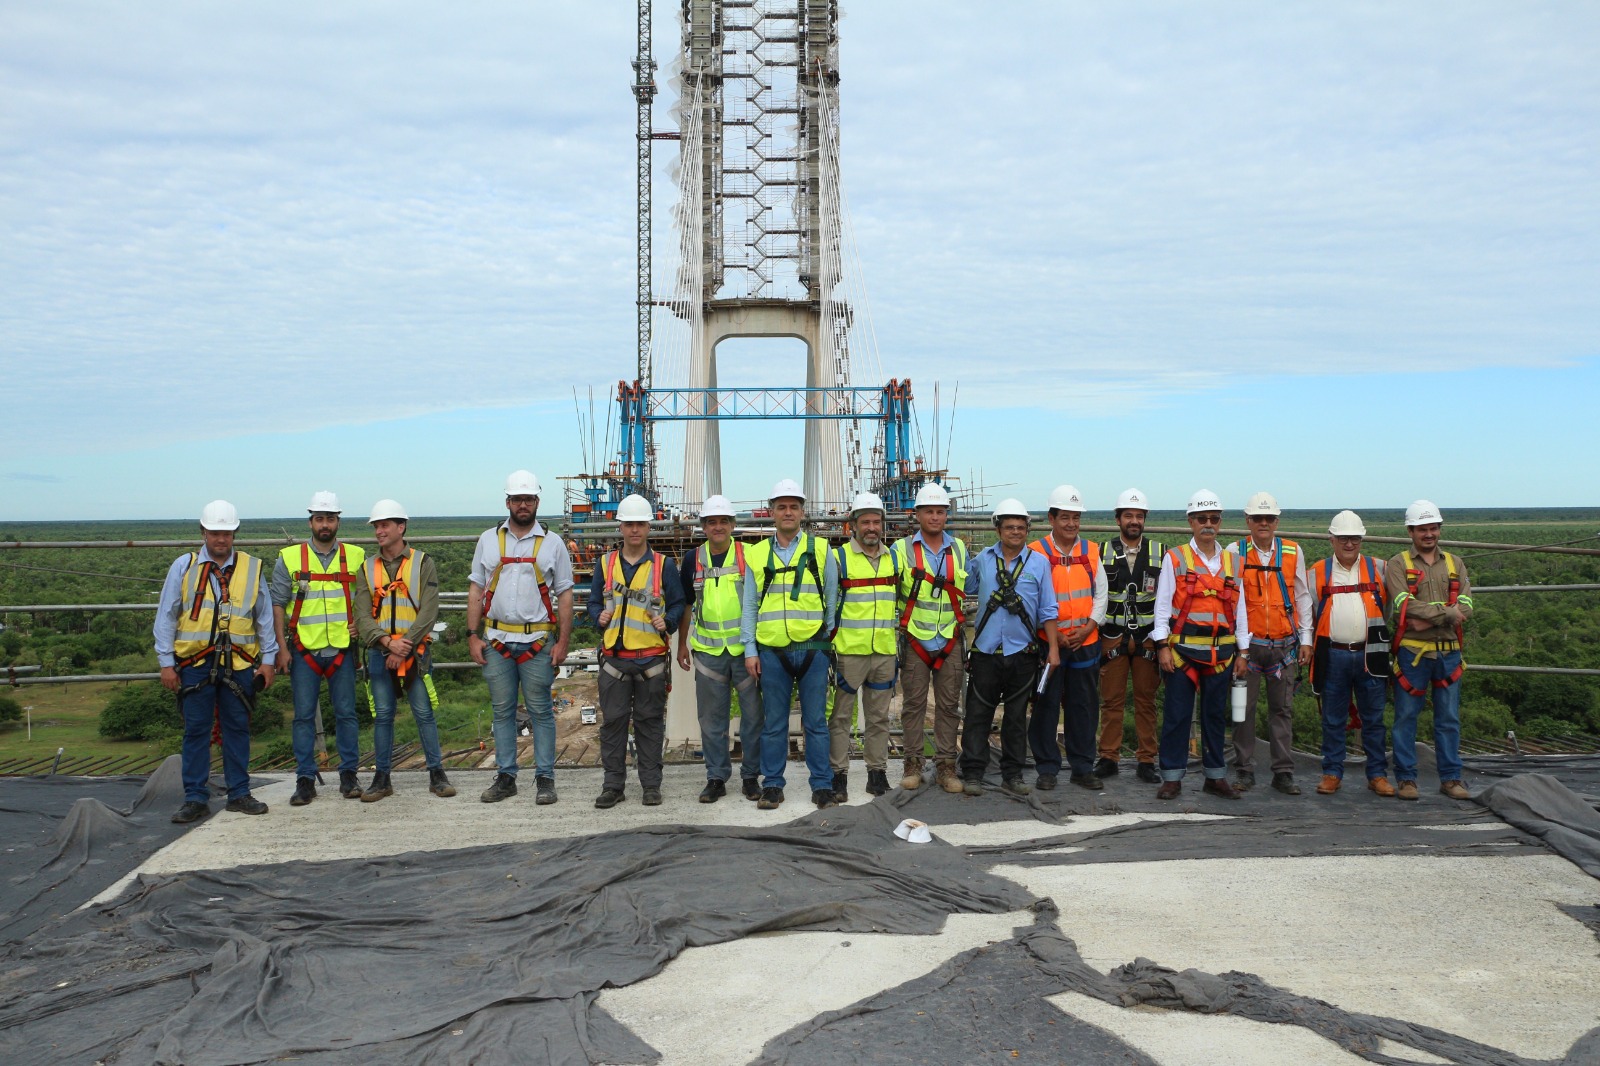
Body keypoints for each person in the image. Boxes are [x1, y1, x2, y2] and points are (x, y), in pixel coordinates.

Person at [155, 500, 278, 824]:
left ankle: (239, 792)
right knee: (196, 730)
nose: (220, 539)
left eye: (226, 533)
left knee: (237, 728)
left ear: (234, 533)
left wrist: (268, 661)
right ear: (203, 532)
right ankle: (195, 797)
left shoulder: (251, 568)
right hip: (194, 663)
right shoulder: (184, 567)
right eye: (214, 533)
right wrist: (166, 663)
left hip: (239, 663)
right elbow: (167, 616)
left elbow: (263, 618)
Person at [468, 471, 575, 806]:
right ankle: (506, 776)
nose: (523, 504)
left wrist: (563, 642)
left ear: (537, 502)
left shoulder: (553, 544)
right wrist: (473, 635)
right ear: (508, 502)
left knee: (541, 710)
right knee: (502, 711)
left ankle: (545, 777)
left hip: (538, 642)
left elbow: (566, 595)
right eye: (517, 499)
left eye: (528, 499)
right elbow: (476, 590)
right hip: (496, 639)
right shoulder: (488, 540)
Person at [1151, 490, 1251, 800]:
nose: (1208, 524)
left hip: (1221, 654)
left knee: (1214, 717)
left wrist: (1243, 651)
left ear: (1220, 522)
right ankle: (1171, 777)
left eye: (1214, 519)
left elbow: (1241, 609)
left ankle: (1215, 777)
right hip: (1182, 654)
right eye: (1202, 519)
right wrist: (1162, 646)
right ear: (1191, 522)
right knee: (1177, 716)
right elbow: (1163, 606)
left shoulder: (1234, 562)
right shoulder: (1177, 558)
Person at [353, 499, 453, 802]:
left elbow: (429, 611)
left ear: (401, 527)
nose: (379, 531)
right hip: (381, 652)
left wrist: (404, 646)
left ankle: (437, 775)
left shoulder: (423, 563)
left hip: (415, 653)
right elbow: (362, 615)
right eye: (376, 526)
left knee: (424, 713)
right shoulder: (367, 568)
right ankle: (382, 779)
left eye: (384, 525)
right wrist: (387, 643)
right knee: (383, 715)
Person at [742, 478, 832, 810]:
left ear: (802, 512)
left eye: (794, 506)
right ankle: (773, 785)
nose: (788, 512)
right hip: (772, 651)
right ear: (772, 512)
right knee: (774, 723)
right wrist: (750, 648)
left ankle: (822, 785)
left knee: (816, 722)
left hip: (813, 649)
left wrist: (826, 639)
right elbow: (750, 605)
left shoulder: (821, 550)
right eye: (782, 506)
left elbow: (831, 600)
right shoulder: (757, 554)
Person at [588, 494, 684, 808]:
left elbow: (680, 603)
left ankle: (651, 786)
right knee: (612, 723)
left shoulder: (663, 566)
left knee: (650, 723)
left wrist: (667, 621)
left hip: (650, 660)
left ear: (648, 527)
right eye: (629, 524)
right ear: (621, 527)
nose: (634, 530)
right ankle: (613, 786)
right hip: (614, 660)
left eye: (640, 524)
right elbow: (592, 602)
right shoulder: (606, 563)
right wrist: (596, 616)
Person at [271, 491, 365, 805]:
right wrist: (281, 647)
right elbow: (277, 604)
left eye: (331, 518)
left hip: (342, 648)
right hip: (303, 650)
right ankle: (305, 780)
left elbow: (368, 599)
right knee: (303, 717)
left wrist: (360, 626)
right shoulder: (290, 557)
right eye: (320, 519)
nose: (325, 524)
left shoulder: (356, 556)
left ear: (338, 521)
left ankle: (349, 775)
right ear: (311, 521)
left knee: (347, 715)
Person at [961, 499, 1058, 796]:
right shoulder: (982, 560)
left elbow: (1048, 609)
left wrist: (1053, 649)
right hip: (987, 651)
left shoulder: (1039, 563)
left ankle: (1013, 774)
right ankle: (973, 773)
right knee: (978, 714)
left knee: (1016, 718)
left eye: (1020, 527)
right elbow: (965, 587)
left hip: (1023, 651)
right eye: (1009, 527)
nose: (1015, 532)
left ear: (1027, 528)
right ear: (998, 529)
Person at [1225, 492, 1314, 795]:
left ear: (1277, 521)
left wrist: (1306, 639)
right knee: (1242, 711)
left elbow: (1302, 595)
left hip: (1282, 647)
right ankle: (1243, 769)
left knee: (1282, 711)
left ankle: (1283, 772)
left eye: (1269, 519)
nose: (1264, 523)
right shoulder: (1234, 551)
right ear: (1247, 520)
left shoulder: (1292, 552)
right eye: (1257, 518)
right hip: (1246, 649)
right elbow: (1229, 599)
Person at [1386, 500, 1474, 802]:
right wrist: (1448, 613)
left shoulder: (1454, 563)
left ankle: (1451, 779)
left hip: (1448, 654)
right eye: (1422, 528)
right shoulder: (1399, 564)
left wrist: (1428, 618)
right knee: (1406, 717)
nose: (1429, 533)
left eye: (1433, 527)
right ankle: (1407, 779)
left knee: (1448, 719)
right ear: (1411, 531)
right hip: (1413, 654)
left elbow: (1467, 607)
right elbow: (1403, 606)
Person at [676, 494, 761, 803]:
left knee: (753, 718)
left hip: (744, 652)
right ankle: (716, 777)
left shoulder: (749, 555)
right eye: (712, 522)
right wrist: (682, 643)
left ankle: (751, 776)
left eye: (723, 521)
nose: (718, 527)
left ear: (733, 525)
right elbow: (687, 603)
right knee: (712, 722)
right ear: (703, 527)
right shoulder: (692, 559)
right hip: (708, 652)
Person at [890, 482, 969, 794]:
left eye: (940, 511)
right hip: (915, 640)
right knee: (913, 706)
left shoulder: (959, 549)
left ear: (946, 515)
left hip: (949, 639)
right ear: (917, 514)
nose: (935, 517)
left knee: (949, 706)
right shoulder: (902, 550)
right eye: (929, 511)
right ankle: (913, 765)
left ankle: (946, 768)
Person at [1027, 485, 1108, 791]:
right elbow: (1030, 598)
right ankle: (1047, 768)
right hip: (1051, 644)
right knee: (1046, 705)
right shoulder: (1036, 552)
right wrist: (1055, 636)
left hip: (1085, 642)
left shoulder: (1090, 551)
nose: (1072, 523)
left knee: (1084, 706)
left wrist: (1088, 627)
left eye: (1076, 517)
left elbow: (1101, 594)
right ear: (1051, 518)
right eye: (1065, 517)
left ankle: (1082, 767)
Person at [1307, 510, 1394, 796]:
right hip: (1333, 654)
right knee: (1332, 718)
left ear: (1361, 539)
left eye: (1354, 538)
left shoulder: (1379, 568)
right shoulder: (1317, 572)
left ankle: (1377, 774)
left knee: (1374, 718)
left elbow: (1388, 609)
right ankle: (1332, 772)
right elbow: (1308, 612)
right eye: (1343, 538)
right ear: (1331, 539)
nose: (1349, 544)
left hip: (1371, 653)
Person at [822, 492, 900, 802]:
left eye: (876, 522)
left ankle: (876, 774)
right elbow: (828, 603)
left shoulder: (894, 557)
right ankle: (838, 775)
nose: (871, 527)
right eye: (865, 522)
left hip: (882, 651)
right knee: (840, 717)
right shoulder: (838, 558)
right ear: (852, 525)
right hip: (848, 652)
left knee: (879, 717)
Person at [1097, 488, 1163, 783]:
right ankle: (1108, 757)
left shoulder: (1161, 553)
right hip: (1112, 635)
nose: (1134, 521)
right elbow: (1096, 595)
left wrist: (1163, 640)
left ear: (1144, 519)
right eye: (1128, 516)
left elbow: (1167, 598)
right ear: (1118, 519)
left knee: (1146, 701)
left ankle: (1147, 759)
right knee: (1111, 701)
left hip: (1148, 637)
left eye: (1138, 516)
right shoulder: (1101, 552)